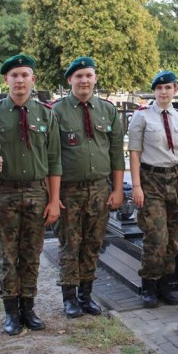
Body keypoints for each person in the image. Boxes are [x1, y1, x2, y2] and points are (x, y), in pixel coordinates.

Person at [0, 54, 62, 335]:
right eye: (14, 75)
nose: (20, 80)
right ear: (6, 80)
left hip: (37, 193)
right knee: (8, 256)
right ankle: (11, 312)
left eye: (25, 75)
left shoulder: (46, 114)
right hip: (5, 192)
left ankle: (29, 308)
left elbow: (54, 160)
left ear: (33, 79)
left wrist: (54, 200)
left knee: (32, 254)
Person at [52, 57, 124, 318]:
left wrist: (117, 190)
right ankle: (69, 297)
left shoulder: (108, 111)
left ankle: (86, 294)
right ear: (70, 80)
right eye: (78, 76)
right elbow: (52, 157)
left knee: (93, 244)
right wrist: (53, 195)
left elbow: (117, 153)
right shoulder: (56, 112)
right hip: (68, 191)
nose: (84, 80)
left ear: (95, 79)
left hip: (99, 190)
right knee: (70, 244)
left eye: (88, 75)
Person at [128, 70, 178, 308]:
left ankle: (165, 284)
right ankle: (149, 284)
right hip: (152, 180)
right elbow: (134, 152)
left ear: (175, 90)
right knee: (156, 236)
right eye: (159, 88)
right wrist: (136, 185)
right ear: (154, 91)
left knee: (174, 237)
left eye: (168, 88)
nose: (163, 92)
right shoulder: (142, 117)